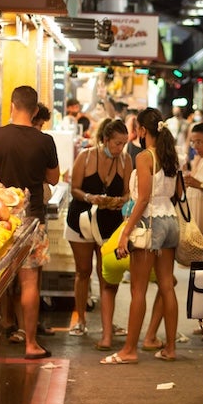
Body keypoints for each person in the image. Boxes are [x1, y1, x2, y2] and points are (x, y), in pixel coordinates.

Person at [0, 85, 60, 360]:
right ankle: (30, 344)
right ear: (35, 110)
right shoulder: (45, 141)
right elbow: (54, 178)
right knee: (29, 283)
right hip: (32, 220)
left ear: (12, 106)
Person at [103, 108, 182, 364]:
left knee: (138, 289)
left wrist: (126, 232)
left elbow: (144, 198)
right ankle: (170, 348)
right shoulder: (171, 155)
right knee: (167, 285)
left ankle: (129, 350)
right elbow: (178, 193)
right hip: (170, 220)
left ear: (143, 130)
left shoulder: (145, 157)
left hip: (150, 223)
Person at [65, 118, 131, 350]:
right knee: (83, 271)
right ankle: (81, 319)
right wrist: (90, 197)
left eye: (124, 144)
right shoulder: (86, 156)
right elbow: (74, 188)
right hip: (81, 220)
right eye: (117, 143)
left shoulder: (126, 160)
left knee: (107, 274)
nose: (120, 148)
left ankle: (107, 324)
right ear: (105, 139)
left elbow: (128, 193)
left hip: (109, 223)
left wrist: (119, 201)